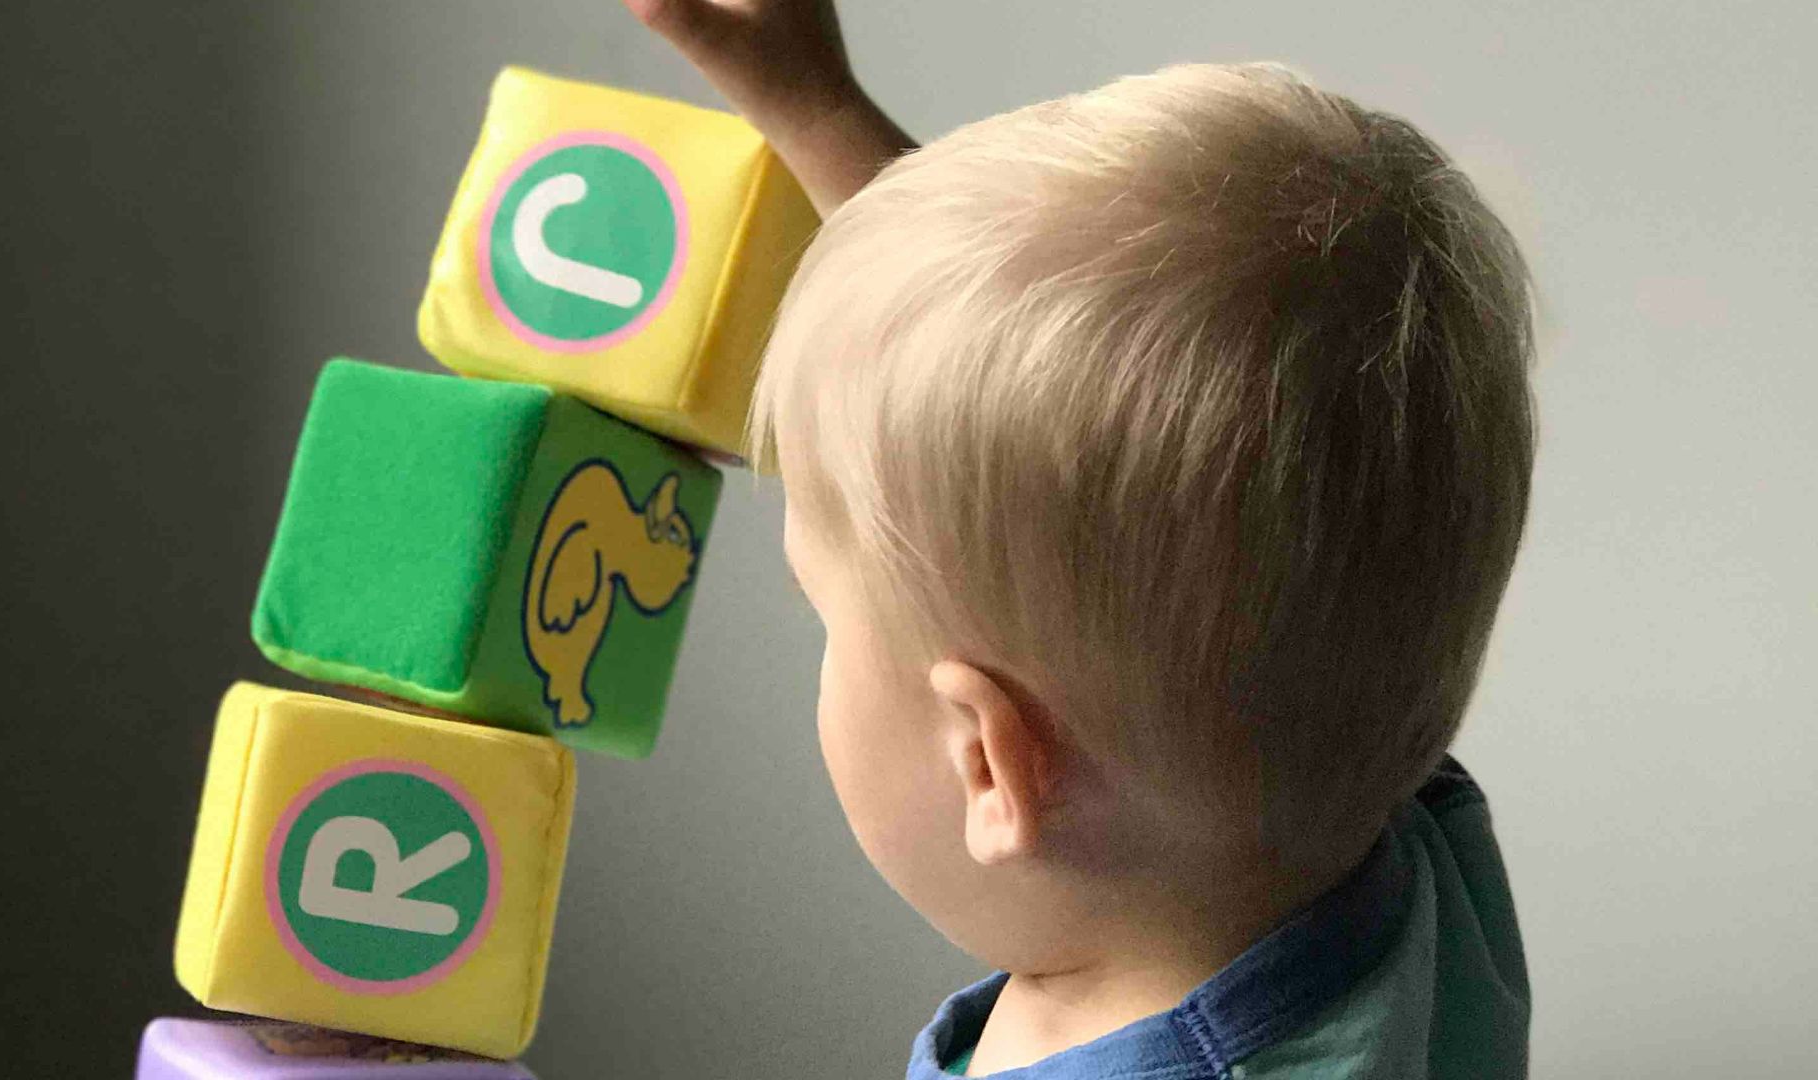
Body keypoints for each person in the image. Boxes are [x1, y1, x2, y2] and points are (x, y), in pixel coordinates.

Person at [620, 1, 1537, 1076]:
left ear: (990, 763)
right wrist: (819, 113)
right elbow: (1086, 452)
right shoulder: (1353, 776)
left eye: (821, 614)